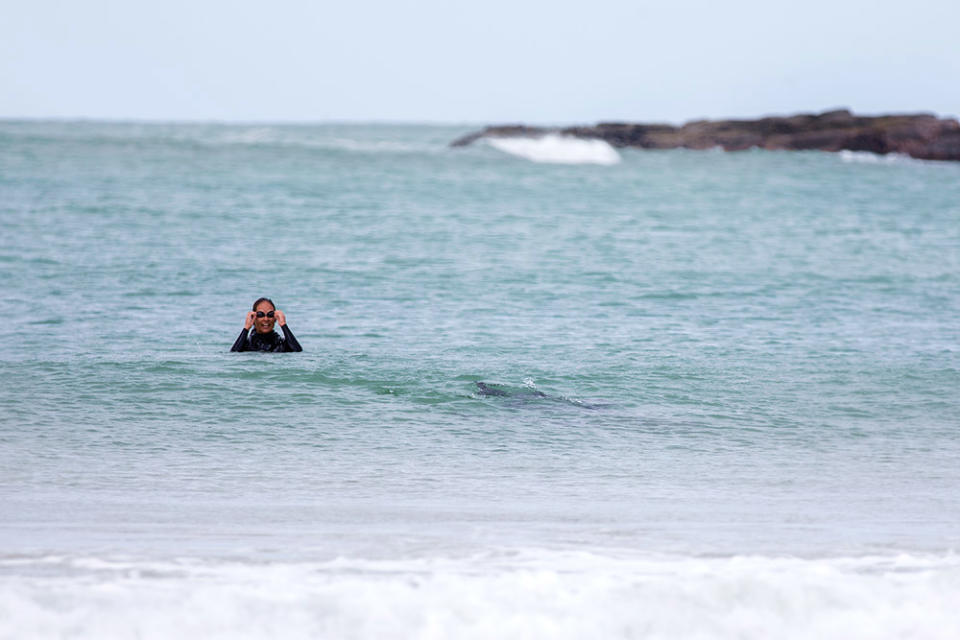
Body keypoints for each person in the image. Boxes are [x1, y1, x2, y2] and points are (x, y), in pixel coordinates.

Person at [230, 297, 303, 352]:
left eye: (270, 314)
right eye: (260, 314)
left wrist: (283, 325)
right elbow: (234, 354)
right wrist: (246, 328)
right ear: (254, 318)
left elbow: (297, 352)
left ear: (275, 318)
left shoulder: (280, 344)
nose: (266, 319)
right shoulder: (247, 344)